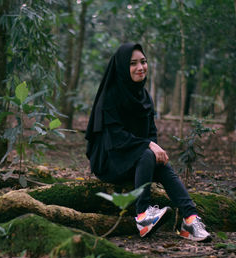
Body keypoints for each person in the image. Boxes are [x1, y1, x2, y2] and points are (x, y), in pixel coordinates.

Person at [85, 43, 211, 241]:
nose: (140, 67)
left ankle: (190, 218)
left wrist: (151, 148)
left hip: (135, 160)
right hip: (110, 161)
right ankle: (142, 215)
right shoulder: (110, 96)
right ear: (121, 68)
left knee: (161, 163)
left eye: (143, 62)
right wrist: (149, 146)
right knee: (147, 152)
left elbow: (150, 133)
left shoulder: (144, 97)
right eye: (133, 63)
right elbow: (115, 138)